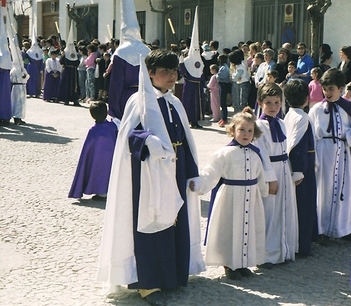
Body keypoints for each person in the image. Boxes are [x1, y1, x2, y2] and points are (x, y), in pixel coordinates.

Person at [97, 49, 205, 306]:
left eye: (173, 71)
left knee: (174, 223)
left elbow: (185, 141)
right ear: (150, 74)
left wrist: (192, 173)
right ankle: (148, 282)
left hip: (175, 171)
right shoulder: (140, 100)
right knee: (151, 223)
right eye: (164, 72)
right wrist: (147, 140)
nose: (171, 76)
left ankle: (172, 275)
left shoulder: (175, 102)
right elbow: (128, 136)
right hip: (149, 177)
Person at [190, 107, 268, 280]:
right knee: (230, 230)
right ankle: (229, 264)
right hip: (230, 199)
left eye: (250, 131)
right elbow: (210, 172)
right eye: (241, 130)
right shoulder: (223, 154)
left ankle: (243, 262)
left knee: (249, 229)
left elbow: (260, 174)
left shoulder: (256, 154)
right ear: (232, 130)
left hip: (251, 197)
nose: (246, 134)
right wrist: (198, 185)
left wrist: (264, 191)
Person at [308, 68, 351, 243]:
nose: (327, 93)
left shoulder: (348, 108)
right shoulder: (317, 109)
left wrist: (348, 137)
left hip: (342, 153)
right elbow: (311, 131)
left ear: (341, 89)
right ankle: (322, 229)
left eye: (331, 89)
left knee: (345, 191)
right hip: (323, 153)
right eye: (325, 89)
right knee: (323, 191)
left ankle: (345, 228)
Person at [254, 83, 298, 267]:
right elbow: (262, 153)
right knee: (269, 212)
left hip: (284, 168)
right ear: (260, 103)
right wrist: (270, 178)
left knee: (285, 209)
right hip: (269, 171)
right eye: (269, 102)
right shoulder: (259, 126)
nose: (273, 107)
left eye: (277, 102)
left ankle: (283, 250)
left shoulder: (281, 122)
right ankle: (265, 254)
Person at [283, 80, 318, 257]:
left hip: (299, 166)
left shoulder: (288, 115)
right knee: (304, 205)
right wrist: (299, 170)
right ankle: (302, 244)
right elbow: (298, 146)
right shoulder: (303, 118)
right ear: (306, 97)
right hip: (304, 167)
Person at [68, 101, 118, 200]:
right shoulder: (113, 127)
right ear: (107, 112)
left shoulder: (93, 131)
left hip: (97, 160)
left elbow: (87, 151)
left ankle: (100, 192)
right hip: (112, 157)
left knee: (97, 171)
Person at [216, 54, 231, 127]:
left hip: (224, 85)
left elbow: (221, 76)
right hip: (221, 85)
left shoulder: (224, 67)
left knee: (223, 102)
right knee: (221, 102)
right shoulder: (221, 67)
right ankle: (222, 117)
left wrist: (217, 75)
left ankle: (225, 118)